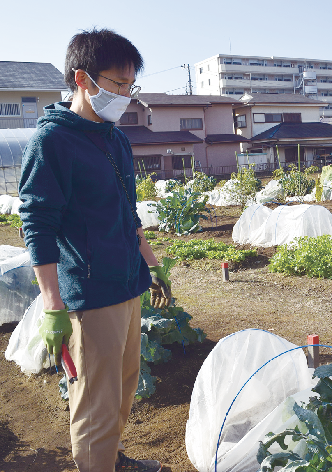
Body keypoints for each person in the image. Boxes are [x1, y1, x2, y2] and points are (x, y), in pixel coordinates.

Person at [19, 29, 168, 472]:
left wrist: (153, 266)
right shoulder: (52, 143)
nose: (126, 95)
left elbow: (128, 212)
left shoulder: (115, 139)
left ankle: (111, 459)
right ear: (83, 79)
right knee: (95, 402)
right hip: (89, 293)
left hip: (127, 284)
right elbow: (37, 226)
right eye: (119, 85)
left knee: (123, 385)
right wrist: (52, 306)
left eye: (130, 86)